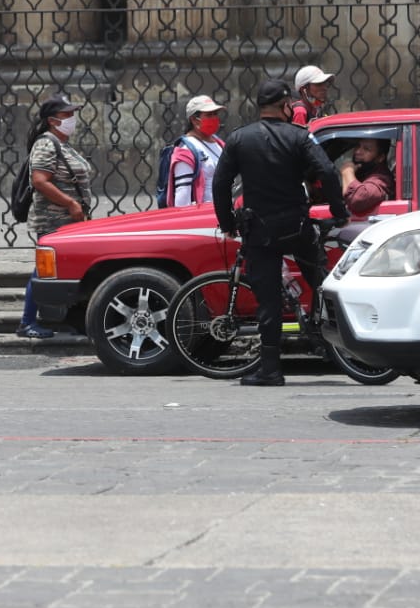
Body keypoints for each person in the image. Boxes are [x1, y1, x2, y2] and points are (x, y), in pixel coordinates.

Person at [211, 79, 349, 387]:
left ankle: (271, 369)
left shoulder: (239, 138)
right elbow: (327, 172)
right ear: (286, 106)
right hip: (296, 227)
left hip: (259, 231)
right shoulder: (299, 136)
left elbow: (220, 184)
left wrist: (227, 222)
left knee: (268, 300)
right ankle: (341, 342)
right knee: (323, 283)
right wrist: (339, 211)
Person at [18, 93, 93, 339]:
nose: (72, 118)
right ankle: (27, 322)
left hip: (68, 221)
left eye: (73, 113)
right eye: (66, 114)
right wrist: (71, 203)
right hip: (53, 220)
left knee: (64, 270)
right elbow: (40, 180)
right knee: (43, 270)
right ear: (52, 120)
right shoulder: (46, 143)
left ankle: (69, 320)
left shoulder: (62, 143)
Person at [166, 95, 226, 207]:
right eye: (209, 115)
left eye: (215, 114)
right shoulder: (186, 151)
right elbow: (182, 197)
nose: (214, 118)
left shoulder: (219, 144)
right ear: (194, 120)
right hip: (206, 214)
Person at [339, 138, 395, 218]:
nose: (358, 151)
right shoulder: (362, 173)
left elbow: (358, 199)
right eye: (357, 146)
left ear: (380, 157)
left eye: (366, 149)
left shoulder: (382, 177)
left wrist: (347, 171)